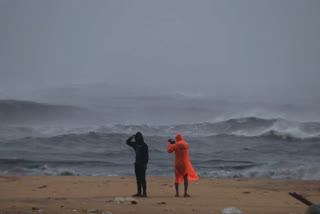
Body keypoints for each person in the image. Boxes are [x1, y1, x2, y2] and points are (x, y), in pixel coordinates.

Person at [167, 132, 198, 197]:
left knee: (176, 178)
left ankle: (177, 193)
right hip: (184, 163)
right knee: (185, 177)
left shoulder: (175, 145)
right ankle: (185, 193)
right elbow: (182, 145)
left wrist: (169, 143)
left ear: (176, 139)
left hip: (177, 163)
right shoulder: (186, 144)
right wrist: (176, 143)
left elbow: (169, 151)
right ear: (181, 138)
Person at [126, 132, 149, 197]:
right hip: (137, 164)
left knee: (143, 178)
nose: (137, 139)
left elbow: (147, 156)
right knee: (138, 179)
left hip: (142, 164)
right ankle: (139, 192)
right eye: (136, 137)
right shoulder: (135, 144)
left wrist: (145, 164)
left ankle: (144, 193)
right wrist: (131, 137)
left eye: (138, 137)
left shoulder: (145, 145)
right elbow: (127, 142)